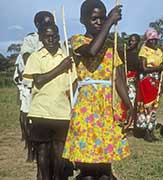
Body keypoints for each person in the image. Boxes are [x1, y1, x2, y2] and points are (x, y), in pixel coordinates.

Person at [63, 0, 133, 179]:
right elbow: (92, 51)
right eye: (94, 19)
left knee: (105, 166)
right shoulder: (78, 41)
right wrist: (110, 21)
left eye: (102, 18)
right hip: (87, 111)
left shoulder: (111, 46)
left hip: (107, 109)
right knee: (87, 168)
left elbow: (117, 77)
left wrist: (128, 104)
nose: (99, 22)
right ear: (82, 20)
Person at [23, 24, 77, 180]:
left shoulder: (66, 57)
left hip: (62, 113)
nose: (51, 39)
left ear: (59, 36)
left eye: (54, 36)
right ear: (41, 38)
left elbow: (73, 82)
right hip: (41, 113)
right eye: (47, 36)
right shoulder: (36, 57)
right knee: (42, 154)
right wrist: (61, 68)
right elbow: (38, 80)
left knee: (60, 156)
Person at [19, 11, 56, 163]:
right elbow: (28, 59)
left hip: (52, 85)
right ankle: (31, 146)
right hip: (32, 84)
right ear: (37, 25)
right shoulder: (31, 39)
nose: (49, 25)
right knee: (28, 117)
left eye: (51, 22)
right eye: (45, 23)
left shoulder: (55, 37)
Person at [136, 29, 163, 142]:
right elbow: (143, 68)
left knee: (154, 106)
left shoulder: (160, 52)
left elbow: (161, 72)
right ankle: (145, 131)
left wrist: (162, 84)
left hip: (156, 81)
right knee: (146, 106)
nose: (153, 42)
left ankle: (151, 130)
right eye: (151, 39)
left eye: (155, 39)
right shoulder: (144, 50)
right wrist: (159, 68)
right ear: (147, 40)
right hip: (146, 80)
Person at [118, 34, 141, 125]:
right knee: (126, 100)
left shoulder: (140, 54)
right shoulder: (124, 53)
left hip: (135, 80)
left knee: (134, 100)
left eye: (133, 41)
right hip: (125, 79)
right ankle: (126, 121)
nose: (131, 42)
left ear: (137, 42)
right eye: (130, 40)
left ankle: (132, 122)